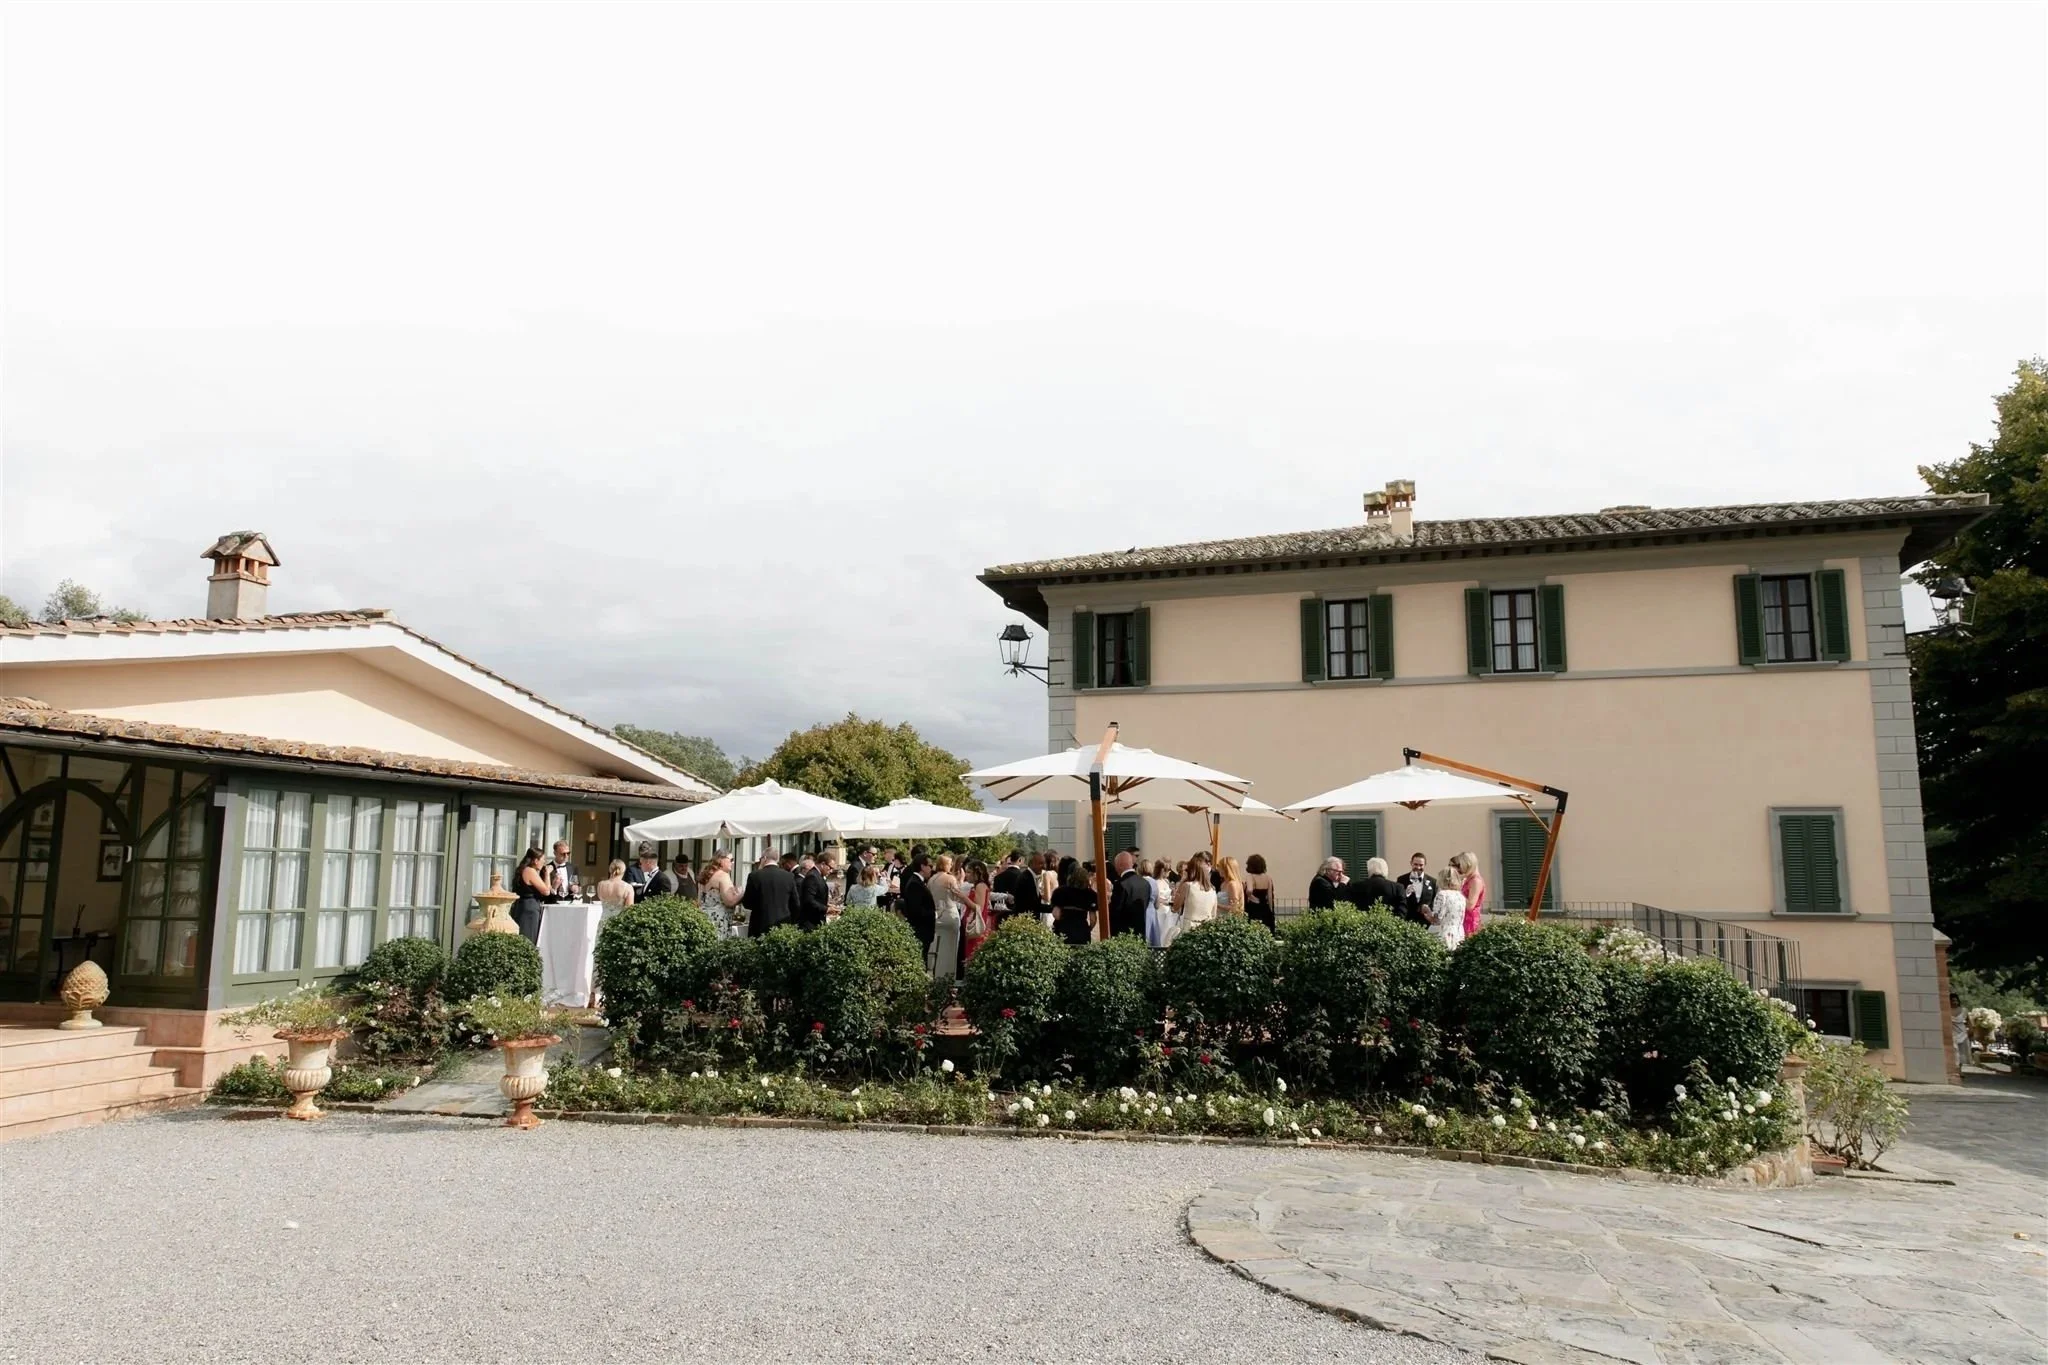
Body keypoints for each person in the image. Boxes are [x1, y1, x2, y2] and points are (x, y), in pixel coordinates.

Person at [741, 846, 800, 937]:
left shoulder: (754, 876)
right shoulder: (789, 876)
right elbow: (795, 904)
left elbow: (747, 903)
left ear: (764, 858)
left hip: (760, 924)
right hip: (783, 924)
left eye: (760, 858)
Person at [1165, 851, 1217, 947]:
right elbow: (1213, 914)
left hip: (1189, 928)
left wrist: (1182, 881)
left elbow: (1175, 907)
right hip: (1206, 930)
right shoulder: (1212, 890)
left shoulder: (1187, 886)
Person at [897, 848, 936, 961]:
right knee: (921, 959)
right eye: (930, 866)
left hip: (923, 930)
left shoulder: (917, 882)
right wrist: (934, 913)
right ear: (922, 867)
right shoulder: (915, 884)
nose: (931, 869)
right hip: (921, 930)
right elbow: (916, 910)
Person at [929, 854, 964, 979]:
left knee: (938, 949)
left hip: (937, 915)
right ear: (944, 865)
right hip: (950, 914)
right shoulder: (950, 879)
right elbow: (957, 896)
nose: (951, 865)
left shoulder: (931, 879)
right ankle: (948, 977)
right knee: (951, 949)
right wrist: (960, 881)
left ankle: (937, 975)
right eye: (949, 863)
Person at [511, 847, 550, 943]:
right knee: (529, 937)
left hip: (524, 906)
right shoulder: (530, 871)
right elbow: (546, 891)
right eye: (543, 859)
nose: (544, 862)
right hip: (529, 908)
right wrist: (547, 874)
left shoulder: (524, 870)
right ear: (536, 861)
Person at [1049, 866, 1097, 945]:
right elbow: (1093, 919)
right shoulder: (1091, 895)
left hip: (1064, 928)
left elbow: (1056, 914)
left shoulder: (1060, 892)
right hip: (1082, 929)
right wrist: (1088, 929)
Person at [1108, 851, 1151, 938]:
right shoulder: (1145, 883)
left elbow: (1116, 911)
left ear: (1119, 865)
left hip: (1124, 934)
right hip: (1141, 932)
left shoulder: (1120, 884)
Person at [960, 858, 995, 962]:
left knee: (972, 954)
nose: (966, 875)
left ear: (976, 873)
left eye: (969, 872)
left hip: (977, 924)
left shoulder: (980, 886)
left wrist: (963, 898)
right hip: (972, 923)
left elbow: (978, 907)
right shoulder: (977, 886)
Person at [1356, 857, 1411, 924]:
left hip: (1363, 926)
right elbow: (1402, 910)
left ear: (1369, 870)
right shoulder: (1397, 887)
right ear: (1385, 870)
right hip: (1390, 926)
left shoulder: (1357, 886)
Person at [699, 852, 741, 936]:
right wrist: (742, 893)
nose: (733, 862)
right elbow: (730, 901)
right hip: (719, 922)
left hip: (704, 920)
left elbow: (700, 900)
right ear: (721, 860)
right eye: (731, 860)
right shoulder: (723, 876)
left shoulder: (706, 875)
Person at [993, 851, 1041, 922]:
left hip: (1001, 913)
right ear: (1020, 860)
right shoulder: (1025, 877)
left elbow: (995, 896)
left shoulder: (998, 877)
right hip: (1019, 915)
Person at [1427, 867, 1468, 949]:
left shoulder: (1442, 895)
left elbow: (1436, 919)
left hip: (1443, 933)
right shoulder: (1461, 896)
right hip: (1458, 933)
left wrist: (1428, 912)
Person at [1450, 851, 1487, 937]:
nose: (1459, 868)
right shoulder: (1469, 879)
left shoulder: (1476, 881)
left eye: (1460, 865)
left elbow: (1470, 905)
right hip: (1463, 919)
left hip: (1470, 922)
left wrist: (1457, 891)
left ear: (1468, 865)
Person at [796, 849, 834, 931]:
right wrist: (826, 909)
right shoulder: (812, 876)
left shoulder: (817, 875)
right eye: (830, 868)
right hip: (810, 923)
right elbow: (808, 900)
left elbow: (817, 897)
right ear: (823, 864)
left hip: (816, 921)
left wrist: (828, 905)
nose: (831, 871)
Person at [1395, 853, 1438, 925]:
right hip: (1407, 920)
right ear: (1411, 863)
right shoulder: (1401, 880)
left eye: (1421, 865)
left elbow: (1435, 901)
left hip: (1425, 922)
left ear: (1425, 865)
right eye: (1415, 864)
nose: (1418, 867)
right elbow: (1397, 900)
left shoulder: (1433, 882)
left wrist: (1429, 911)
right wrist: (1406, 893)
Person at [595, 859, 636, 926]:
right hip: (618, 924)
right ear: (623, 871)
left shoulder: (600, 885)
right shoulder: (628, 887)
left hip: (603, 922)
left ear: (610, 870)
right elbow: (629, 910)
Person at [1242, 853, 1276, 931]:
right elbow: (1270, 896)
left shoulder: (1250, 877)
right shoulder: (1268, 878)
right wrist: (1271, 910)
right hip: (1265, 907)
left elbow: (1249, 890)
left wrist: (1252, 897)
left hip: (1253, 908)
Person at [1952, 991, 1971, 1073]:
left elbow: (1969, 1021)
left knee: (1961, 1052)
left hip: (1962, 1032)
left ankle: (1960, 1069)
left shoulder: (1964, 1010)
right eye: (1952, 1000)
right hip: (1952, 1032)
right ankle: (1955, 1069)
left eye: (1956, 1000)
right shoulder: (1946, 1011)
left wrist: (1970, 1030)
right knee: (1954, 1051)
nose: (1954, 1002)